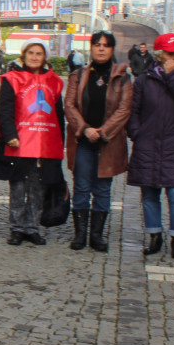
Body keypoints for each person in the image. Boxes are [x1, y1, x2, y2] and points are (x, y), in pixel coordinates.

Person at [126, 32, 174, 260]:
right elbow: (133, 111)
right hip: (148, 143)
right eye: (171, 53)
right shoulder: (143, 80)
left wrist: (172, 75)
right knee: (149, 194)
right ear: (159, 54)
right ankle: (154, 235)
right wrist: (136, 133)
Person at [63, 30, 133, 252]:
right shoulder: (78, 75)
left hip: (109, 142)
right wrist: (84, 129)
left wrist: (102, 131)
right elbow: (70, 105)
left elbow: (124, 109)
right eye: (97, 44)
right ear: (91, 48)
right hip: (83, 140)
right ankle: (80, 234)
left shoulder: (123, 77)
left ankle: (97, 235)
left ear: (112, 49)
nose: (101, 48)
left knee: (103, 189)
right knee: (81, 187)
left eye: (106, 45)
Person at [0, 39, 65, 246]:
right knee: (17, 187)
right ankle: (16, 228)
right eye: (31, 53)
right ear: (24, 55)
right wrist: (9, 135)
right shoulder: (12, 79)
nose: (34, 57)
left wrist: (61, 140)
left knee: (38, 188)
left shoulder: (54, 82)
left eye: (39, 53)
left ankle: (32, 227)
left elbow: (58, 114)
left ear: (44, 58)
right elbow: (5, 109)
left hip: (44, 143)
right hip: (19, 142)